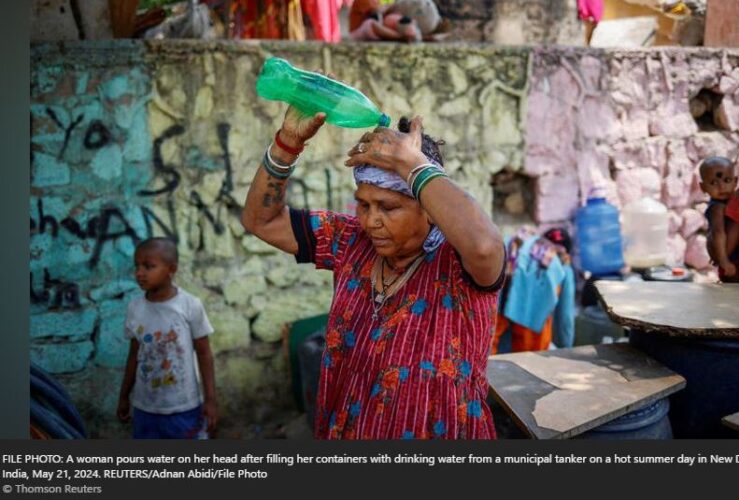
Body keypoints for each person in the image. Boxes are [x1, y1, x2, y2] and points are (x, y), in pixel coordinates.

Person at [241, 106, 505, 439]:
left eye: (388, 207)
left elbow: (485, 245)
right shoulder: (349, 240)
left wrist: (410, 164)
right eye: (363, 204)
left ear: (430, 210)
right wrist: (287, 145)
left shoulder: (458, 262)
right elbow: (260, 221)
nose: (370, 221)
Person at [116, 238, 217, 439]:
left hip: (184, 407)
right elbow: (134, 355)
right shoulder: (135, 308)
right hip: (145, 407)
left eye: (149, 266)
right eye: (137, 266)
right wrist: (124, 396)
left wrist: (211, 400)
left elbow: (204, 354)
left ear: (171, 269)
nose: (139, 273)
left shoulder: (189, 305)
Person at [699, 157, 739, 281]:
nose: (721, 186)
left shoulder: (731, 201)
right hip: (731, 261)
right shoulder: (717, 208)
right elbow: (718, 233)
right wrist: (724, 261)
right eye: (713, 183)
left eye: (727, 180)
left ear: (735, 181)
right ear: (703, 187)